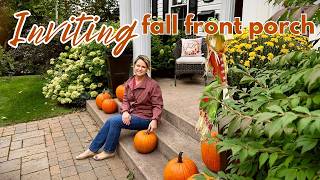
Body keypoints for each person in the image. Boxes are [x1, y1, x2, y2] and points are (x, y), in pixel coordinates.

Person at [76, 55, 163, 160]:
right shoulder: (130, 82)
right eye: (138, 65)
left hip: (145, 117)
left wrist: (154, 120)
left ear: (148, 69)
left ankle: (109, 151)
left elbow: (158, 105)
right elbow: (125, 99)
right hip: (132, 113)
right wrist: (125, 111)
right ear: (133, 66)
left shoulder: (153, 85)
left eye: (143, 67)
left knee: (115, 121)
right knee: (110, 121)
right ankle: (92, 149)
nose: (140, 69)